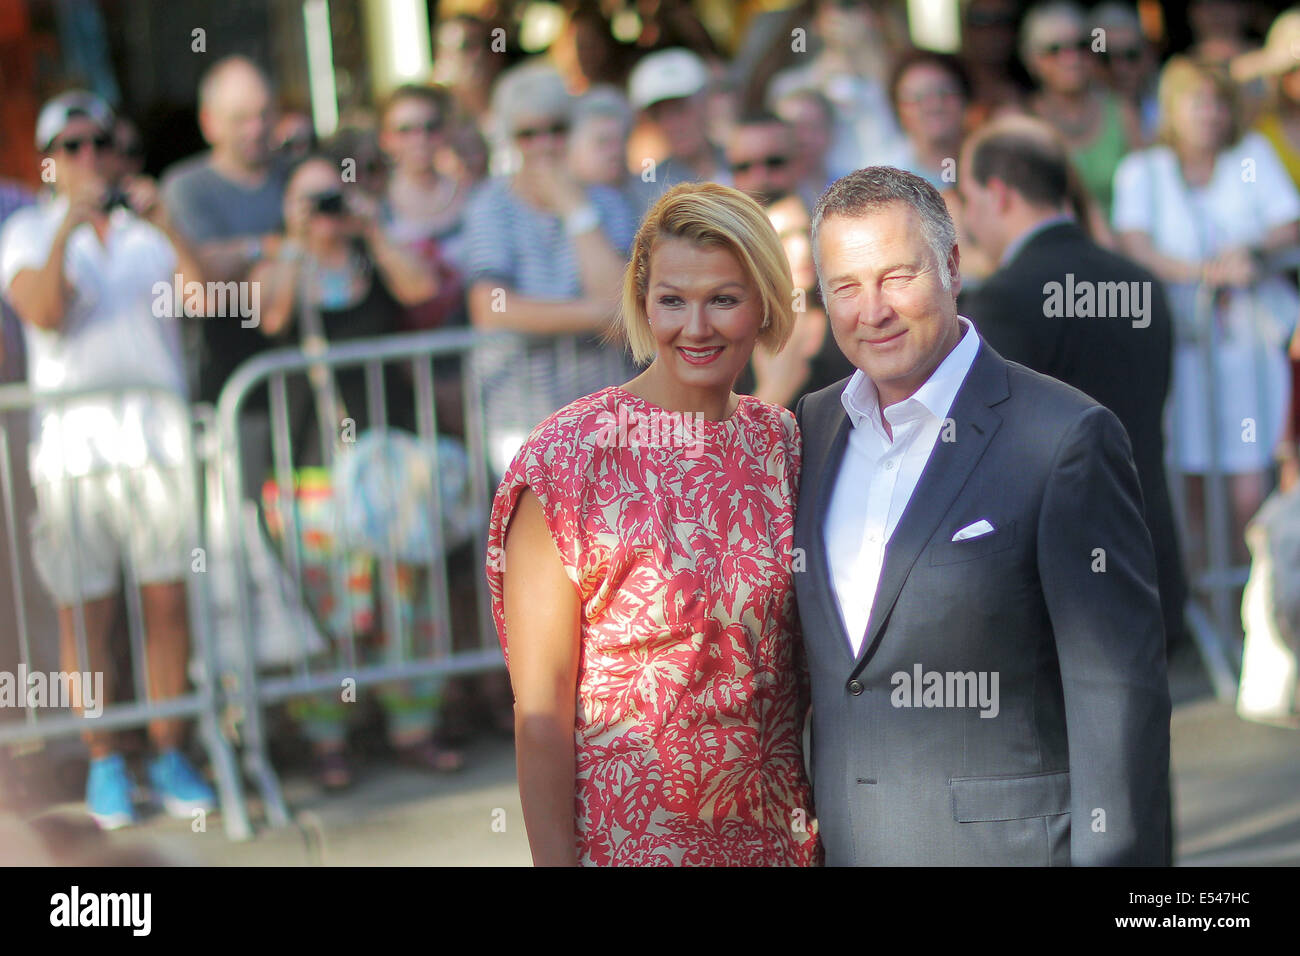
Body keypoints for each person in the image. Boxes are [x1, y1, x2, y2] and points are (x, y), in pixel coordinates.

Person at [795, 166, 1171, 865]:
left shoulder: (1064, 436)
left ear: (954, 266)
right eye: (845, 286)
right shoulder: (813, 427)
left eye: (896, 276)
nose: (871, 310)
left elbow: (1118, 696)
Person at [486, 182, 820, 866]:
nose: (695, 327)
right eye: (673, 299)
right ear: (643, 302)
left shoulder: (784, 444)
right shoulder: (569, 458)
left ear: (764, 304)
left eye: (723, 299)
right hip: (631, 844)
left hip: (777, 843)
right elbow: (541, 712)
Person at [0, 90, 217, 828]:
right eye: (73, 146)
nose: (91, 157)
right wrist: (68, 221)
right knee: (85, 615)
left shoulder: (147, 233)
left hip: (154, 444)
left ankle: (169, 750)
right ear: (50, 161)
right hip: (70, 457)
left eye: (101, 143)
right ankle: (104, 762)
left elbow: (204, 302)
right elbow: (43, 311)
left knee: (165, 603)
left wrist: (167, 224)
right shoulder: (28, 231)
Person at [249, 155, 462, 787]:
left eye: (330, 199)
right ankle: (328, 740)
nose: (324, 215)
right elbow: (272, 317)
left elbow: (422, 289)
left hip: (388, 462)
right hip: (310, 465)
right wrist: (294, 243)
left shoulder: (374, 259)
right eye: (309, 201)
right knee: (327, 607)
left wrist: (370, 229)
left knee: (406, 602)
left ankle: (413, 728)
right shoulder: (277, 266)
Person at [957, 115, 1187, 656]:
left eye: (967, 199)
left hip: (1058, 599)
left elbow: (986, 448)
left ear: (997, 194)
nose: (967, 219)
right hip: (1151, 568)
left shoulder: (1004, 299)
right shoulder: (1141, 282)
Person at [1112, 56, 1300, 568]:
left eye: (1219, 103)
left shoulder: (1251, 154)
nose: (1211, 114)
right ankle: (1199, 593)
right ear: (1173, 109)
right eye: (1199, 102)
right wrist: (1199, 274)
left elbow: (1289, 224)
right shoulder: (1143, 169)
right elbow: (1134, 244)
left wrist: (1251, 251)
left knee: (1249, 479)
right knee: (1187, 475)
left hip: (1248, 346)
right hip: (1181, 343)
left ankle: (1250, 591)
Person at [464, 62, 637, 477]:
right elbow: (493, 308)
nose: (543, 144)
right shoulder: (492, 204)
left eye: (555, 129)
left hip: (606, 413)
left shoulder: (606, 203)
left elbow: (622, 310)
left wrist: (574, 210)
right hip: (520, 413)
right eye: (528, 133)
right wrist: (598, 315)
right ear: (511, 139)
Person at [1021, 1, 1140, 221]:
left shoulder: (1123, 113)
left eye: (1081, 46)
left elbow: (1146, 196)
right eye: (1055, 50)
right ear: (1033, 60)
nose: (1072, 58)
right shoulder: (1023, 122)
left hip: (1123, 246)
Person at [626, 48, 729, 198]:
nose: (673, 125)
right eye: (659, 115)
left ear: (705, 105)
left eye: (680, 109)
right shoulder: (647, 188)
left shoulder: (747, 161)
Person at [878, 49, 971, 190]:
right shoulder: (883, 182)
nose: (934, 105)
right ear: (898, 110)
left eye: (944, 94)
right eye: (918, 97)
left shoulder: (989, 166)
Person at [724, 110, 800, 207]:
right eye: (743, 166)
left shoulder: (823, 218)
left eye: (774, 163)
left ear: (798, 162)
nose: (760, 178)